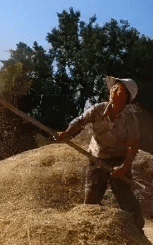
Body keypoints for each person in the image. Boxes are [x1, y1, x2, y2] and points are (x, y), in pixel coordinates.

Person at [55, 76, 145, 232]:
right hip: (96, 159)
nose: (113, 90)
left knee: (127, 200)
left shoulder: (130, 119)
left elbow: (132, 146)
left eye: (118, 90)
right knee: (91, 199)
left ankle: (138, 233)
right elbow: (80, 121)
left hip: (119, 162)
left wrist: (124, 168)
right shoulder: (98, 109)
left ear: (126, 98)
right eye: (113, 87)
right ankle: (87, 232)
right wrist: (66, 133)